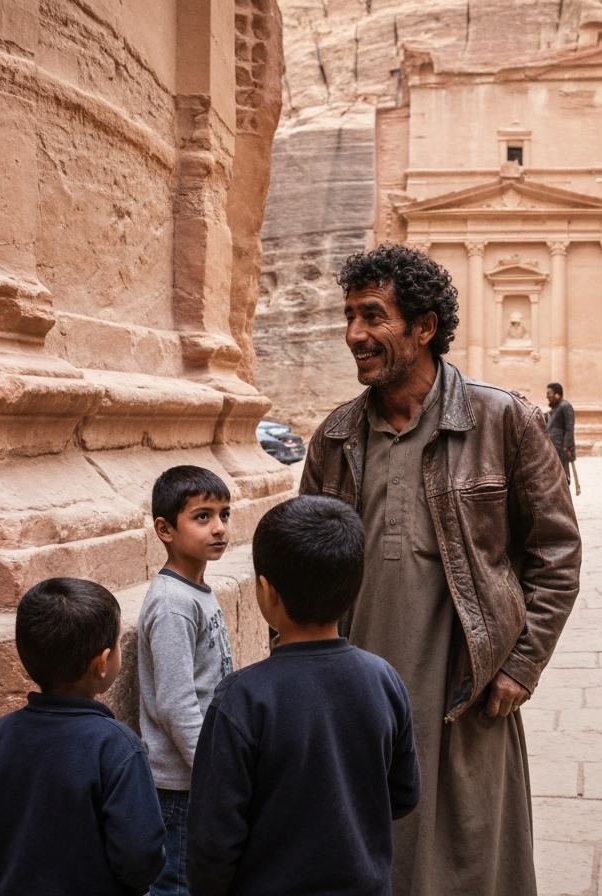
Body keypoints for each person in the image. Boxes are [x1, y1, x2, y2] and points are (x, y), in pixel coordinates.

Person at [300, 244, 580, 896]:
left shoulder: (503, 420)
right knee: (372, 854)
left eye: (373, 317)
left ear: (424, 327)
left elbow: (557, 554)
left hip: (469, 691)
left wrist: (522, 663)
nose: (354, 335)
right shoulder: (335, 439)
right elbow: (305, 570)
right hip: (359, 694)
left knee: (475, 855)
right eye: (348, 317)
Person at [186, 496, 421, 895]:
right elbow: (403, 794)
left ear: (267, 591)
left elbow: (213, 841)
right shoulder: (384, 679)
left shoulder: (243, 698)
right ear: (352, 586)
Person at [0, 578, 166, 896]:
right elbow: (141, 855)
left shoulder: (0, 735)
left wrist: (19, 866)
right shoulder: (117, 747)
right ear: (102, 663)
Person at [138, 466, 235, 896]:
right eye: (202, 516)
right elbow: (175, 705)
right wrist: (216, 775)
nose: (219, 528)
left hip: (196, 777)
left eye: (224, 514)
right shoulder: (174, 603)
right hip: (179, 785)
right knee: (175, 886)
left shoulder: (196, 591)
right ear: (165, 529)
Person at [546, 382, 576, 481]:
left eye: (549, 393)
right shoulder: (555, 409)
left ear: (557, 395)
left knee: (561, 477)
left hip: (561, 449)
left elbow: (569, 427)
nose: (547, 396)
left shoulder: (565, 406)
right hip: (554, 448)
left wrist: (567, 446)